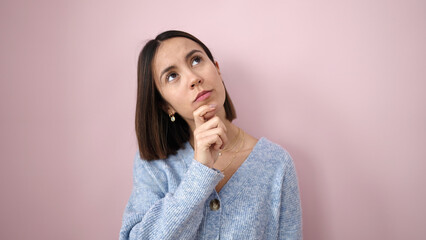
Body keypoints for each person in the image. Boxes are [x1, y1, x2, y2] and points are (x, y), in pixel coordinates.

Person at [119, 30, 302, 240]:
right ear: (165, 105)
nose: (193, 79)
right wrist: (200, 171)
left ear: (217, 69)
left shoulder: (276, 163)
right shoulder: (154, 165)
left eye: (196, 60)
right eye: (172, 76)